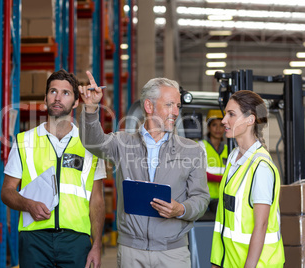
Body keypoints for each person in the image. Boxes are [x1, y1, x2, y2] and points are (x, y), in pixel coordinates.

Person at [78, 71, 210, 268]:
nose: (175, 111)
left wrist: (181, 209)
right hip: (132, 251)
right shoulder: (122, 143)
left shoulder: (192, 151)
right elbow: (93, 143)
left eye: (177, 106)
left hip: (173, 252)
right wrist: (90, 109)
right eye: (169, 105)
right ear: (149, 106)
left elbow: (201, 198)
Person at [1, 69, 106, 268]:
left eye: (66, 93)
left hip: (76, 241)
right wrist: (28, 204)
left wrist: (97, 245)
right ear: (45, 98)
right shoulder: (25, 141)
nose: (58, 98)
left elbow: (97, 199)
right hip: (34, 240)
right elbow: (6, 192)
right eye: (53, 92)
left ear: (76, 102)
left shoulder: (90, 145)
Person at [210, 90, 284, 267]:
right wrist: (217, 262)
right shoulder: (234, 157)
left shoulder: (261, 167)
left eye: (231, 114)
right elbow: (225, 220)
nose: (223, 120)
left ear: (250, 120)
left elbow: (261, 224)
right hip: (229, 262)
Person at [198, 110, 227, 211]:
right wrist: (223, 179)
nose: (218, 129)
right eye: (214, 125)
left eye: (222, 125)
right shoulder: (200, 146)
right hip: (204, 196)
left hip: (223, 196)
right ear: (208, 127)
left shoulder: (228, 149)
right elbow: (199, 173)